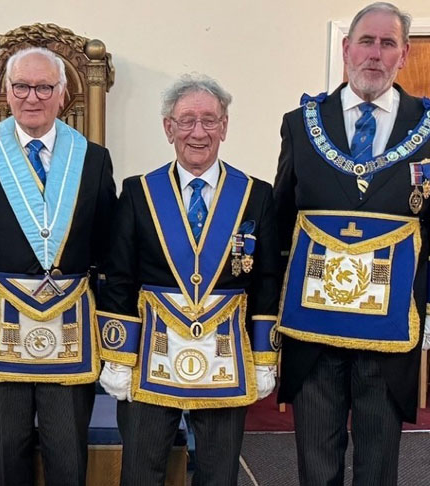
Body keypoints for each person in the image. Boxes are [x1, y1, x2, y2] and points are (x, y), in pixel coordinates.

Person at [272, 3, 430, 484]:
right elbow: (280, 221)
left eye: (387, 43)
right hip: (312, 326)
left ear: (404, 54)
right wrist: (268, 308)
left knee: (379, 459)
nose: (374, 54)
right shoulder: (301, 122)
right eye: (366, 41)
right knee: (316, 457)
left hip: (392, 323)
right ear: (346, 48)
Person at [0, 46, 117, 486]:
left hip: (71, 321)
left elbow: (109, 249)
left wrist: (116, 333)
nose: (31, 97)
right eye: (21, 86)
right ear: (5, 92)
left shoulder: (92, 158)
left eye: (43, 87)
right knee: (9, 451)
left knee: (68, 453)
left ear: (63, 95)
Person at [97, 73, 279, 486]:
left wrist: (265, 356)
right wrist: (119, 357)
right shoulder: (139, 192)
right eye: (187, 121)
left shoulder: (255, 194)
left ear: (225, 126)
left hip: (225, 357)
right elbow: (120, 277)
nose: (198, 132)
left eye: (210, 120)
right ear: (168, 128)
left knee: (218, 473)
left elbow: (266, 280)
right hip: (150, 357)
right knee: (142, 471)